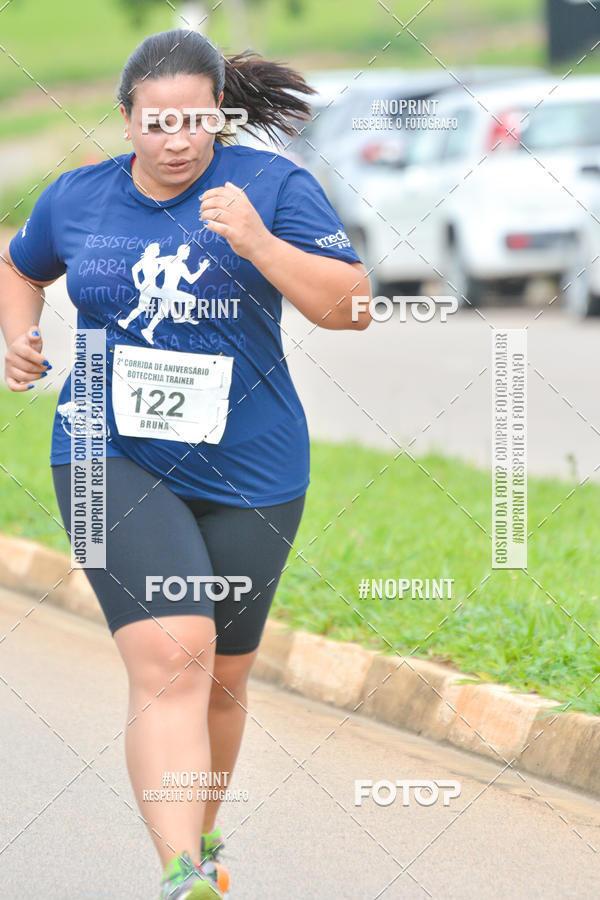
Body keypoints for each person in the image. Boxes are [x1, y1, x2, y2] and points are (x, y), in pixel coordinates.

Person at [0, 28, 372, 900]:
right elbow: (20, 266)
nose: (177, 141)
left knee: (225, 676)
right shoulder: (78, 197)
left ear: (219, 116)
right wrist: (19, 334)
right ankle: (180, 874)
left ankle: (198, 832)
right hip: (106, 452)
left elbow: (352, 308)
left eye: (196, 122)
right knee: (177, 652)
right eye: (157, 123)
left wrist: (259, 245)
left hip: (253, 465)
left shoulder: (271, 187)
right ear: (127, 121)